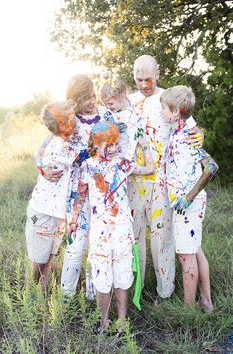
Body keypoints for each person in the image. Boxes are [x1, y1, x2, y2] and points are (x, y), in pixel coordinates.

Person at [35, 74, 125, 298]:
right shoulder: (70, 119)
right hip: (76, 191)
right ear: (75, 100)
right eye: (87, 98)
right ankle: (67, 296)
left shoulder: (105, 115)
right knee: (76, 243)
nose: (92, 100)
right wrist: (42, 169)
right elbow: (41, 149)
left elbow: (119, 141)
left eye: (93, 95)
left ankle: (93, 295)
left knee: (98, 243)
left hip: (102, 192)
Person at [129, 54, 204, 299]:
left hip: (162, 181)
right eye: (138, 79)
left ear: (158, 74)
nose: (143, 84)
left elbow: (192, 130)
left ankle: (165, 292)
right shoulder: (128, 102)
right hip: (134, 181)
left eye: (148, 78)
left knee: (162, 238)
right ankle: (134, 288)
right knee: (135, 236)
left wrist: (200, 135)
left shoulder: (168, 98)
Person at [68, 121, 155, 333]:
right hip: (100, 232)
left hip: (123, 229)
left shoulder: (122, 163)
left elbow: (150, 169)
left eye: (116, 143)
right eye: (110, 143)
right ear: (96, 143)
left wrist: (144, 145)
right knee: (101, 275)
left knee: (123, 273)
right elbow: (80, 197)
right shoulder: (87, 166)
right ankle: (104, 321)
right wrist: (72, 220)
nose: (115, 148)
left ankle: (122, 321)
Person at [160, 85, 218, 311]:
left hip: (187, 207)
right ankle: (206, 301)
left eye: (164, 108)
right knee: (196, 251)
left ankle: (188, 309)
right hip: (189, 205)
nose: (162, 112)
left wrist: (188, 197)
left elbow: (211, 167)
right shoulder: (180, 131)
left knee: (186, 258)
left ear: (175, 112)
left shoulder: (186, 137)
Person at [25, 100, 80, 293]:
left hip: (56, 213)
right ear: (63, 125)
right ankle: (30, 295)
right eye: (72, 116)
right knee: (39, 261)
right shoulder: (60, 148)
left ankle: (42, 296)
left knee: (48, 258)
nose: (77, 119)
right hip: (42, 212)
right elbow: (81, 155)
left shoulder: (59, 139)